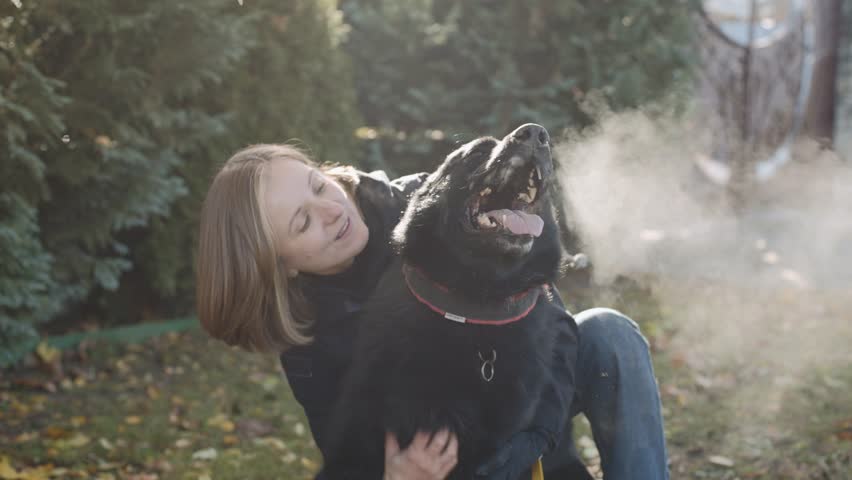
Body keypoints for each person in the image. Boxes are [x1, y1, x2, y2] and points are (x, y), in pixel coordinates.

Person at [197, 144, 669, 479]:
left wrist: (535, 438)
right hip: (457, 460)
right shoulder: (311, 345)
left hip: (528, 414)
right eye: (302, 222)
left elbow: (553, 324)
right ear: (282, 268)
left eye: (319, 185)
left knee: (609, 334)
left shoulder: (437, 205)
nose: (330, 211)